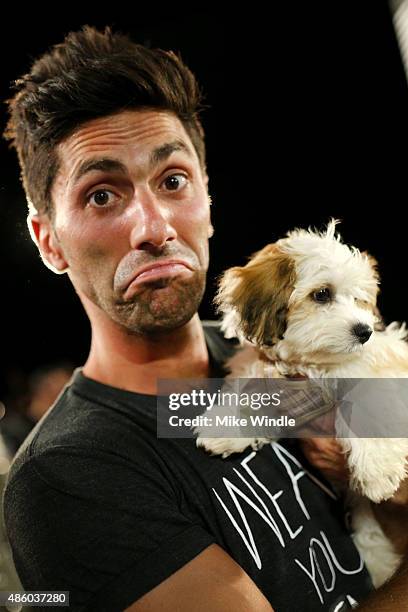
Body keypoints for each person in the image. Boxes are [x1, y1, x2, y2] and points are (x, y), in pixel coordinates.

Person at [2, 25, 407, 612]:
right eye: (101, 195)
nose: (154, 228)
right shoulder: (70, 472)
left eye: (172, 181)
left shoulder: (270, 356)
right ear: (49, 242)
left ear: (208, 200)